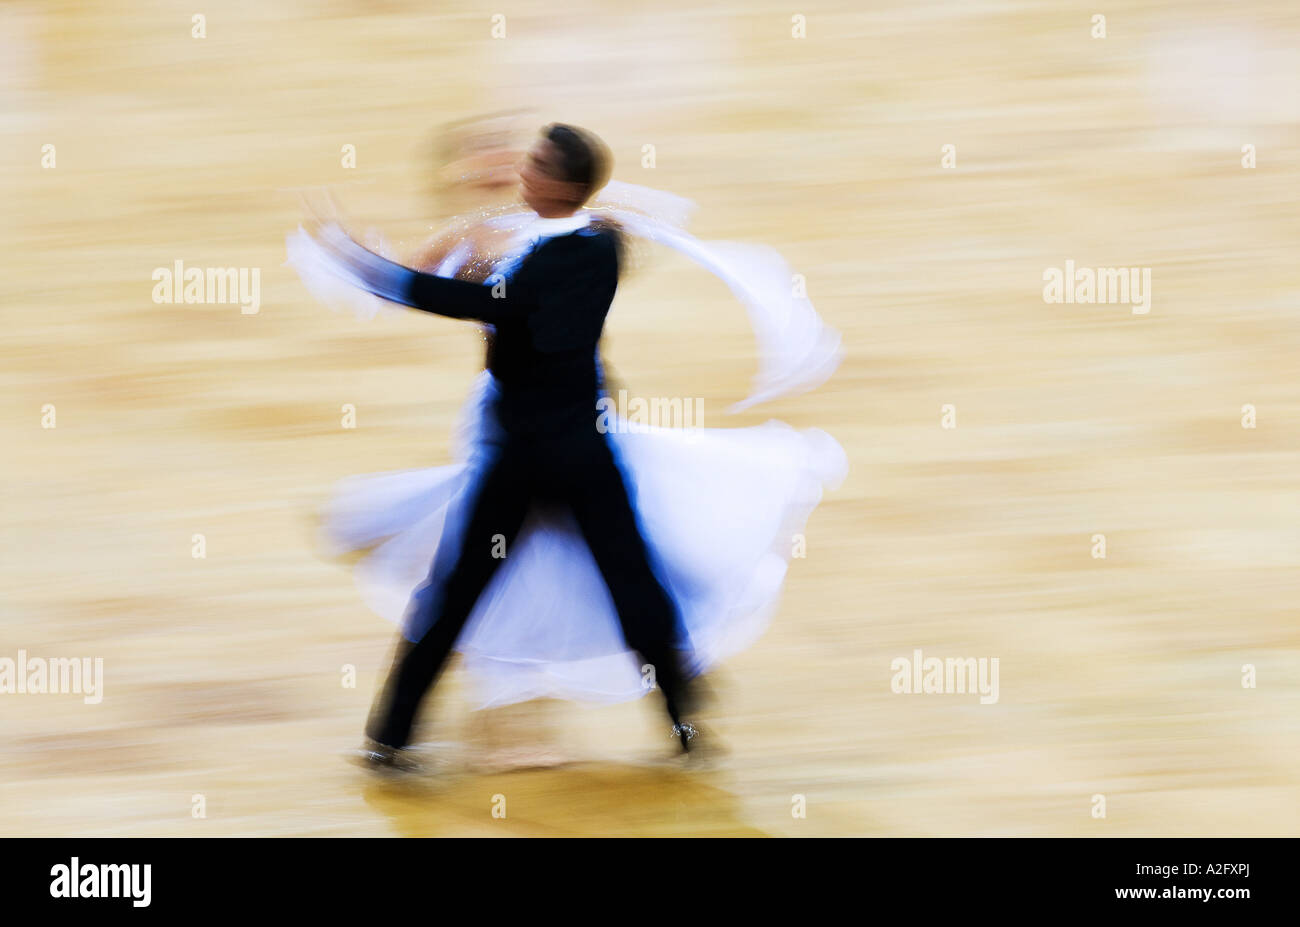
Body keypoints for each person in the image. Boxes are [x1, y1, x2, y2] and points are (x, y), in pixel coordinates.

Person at [302, 124, 704, 766]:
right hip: (576, 450)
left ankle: (391, 737)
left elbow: (461, 298)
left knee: (458, 595)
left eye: (538, 163)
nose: (524, 168)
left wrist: (361, 264)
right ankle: (686, 720)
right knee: (627, 584)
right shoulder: (599, 244)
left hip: (526, 456)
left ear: (564, 184)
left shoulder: (550, 262)